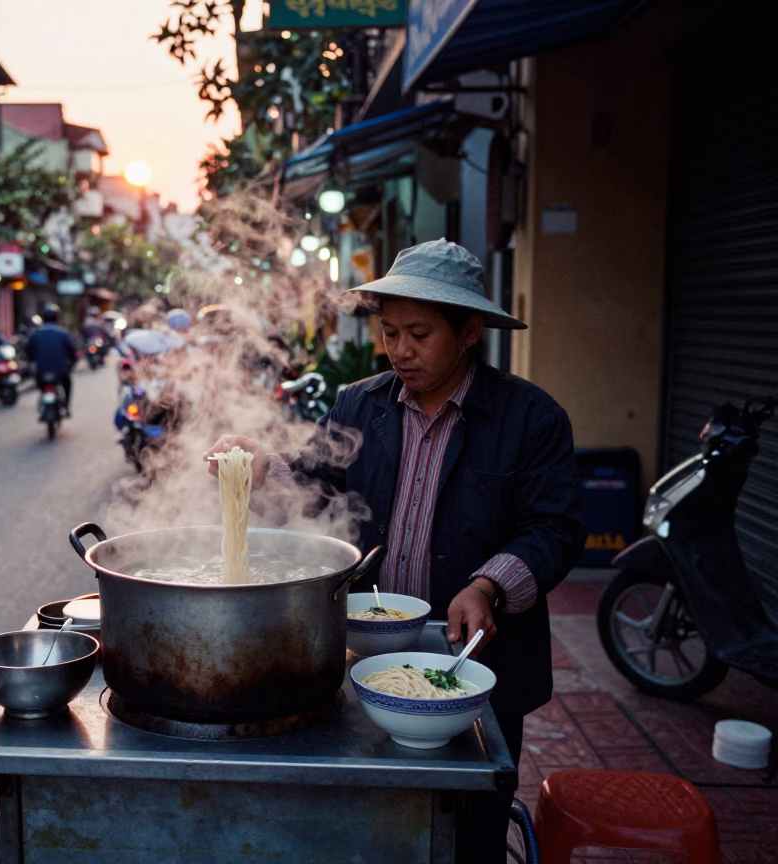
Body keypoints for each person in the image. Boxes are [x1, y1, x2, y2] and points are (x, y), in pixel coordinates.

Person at [206, 239, 586, 862]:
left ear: (469, 331)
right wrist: (261, 465)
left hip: (469, 664)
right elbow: (313, 486)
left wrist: (488, 585)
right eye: (390, 332)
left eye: (419, 334)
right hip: (367, 654)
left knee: (469, 828)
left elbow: (555, 528)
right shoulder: (361, 403)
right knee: (370, 820)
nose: (400, 350)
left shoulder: (530, 418)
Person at [25, 304, 77, 416]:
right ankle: (66, 406)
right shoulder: (63, 333)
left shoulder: (35, 333)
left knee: (40, 384)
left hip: (41, 371)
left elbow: (28, 351)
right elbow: (72, 352)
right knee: (67, 384)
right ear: (57, 317)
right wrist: (71, 364)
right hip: (60, 371)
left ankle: (43, 399)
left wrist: (33, 361)